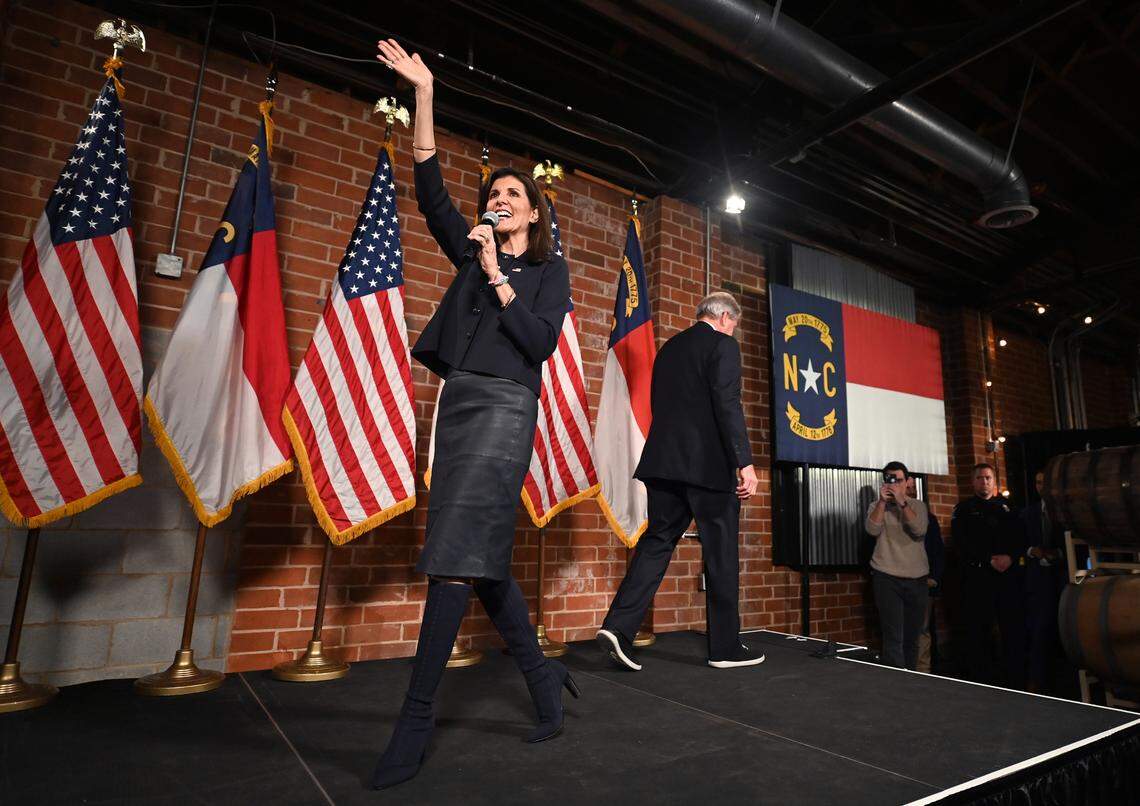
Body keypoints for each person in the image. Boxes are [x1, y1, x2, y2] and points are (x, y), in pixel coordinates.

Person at [372, 39, 577, 790]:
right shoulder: (469, 248)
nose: (498, 200)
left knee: (455, 559)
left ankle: (415, 722)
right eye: (493, 193)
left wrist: (497, 275)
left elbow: (539, 343)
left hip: (505, 412)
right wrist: (425, 92)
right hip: (459, 405)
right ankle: (544, 681)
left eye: (512, 195)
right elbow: (429, 187)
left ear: (533, 213)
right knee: (482, 561)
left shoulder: (546, 273)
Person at [596, 292, 763, 671]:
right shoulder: (723, 345)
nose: (732, 330)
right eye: (733, 324)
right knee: (721, 553)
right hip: (707, 468)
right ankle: (724, 648)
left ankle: (618, 627)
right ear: (723, 317)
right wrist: (746, 463)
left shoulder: (669, 349)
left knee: (656, 543)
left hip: (663, 464)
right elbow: (727, 402)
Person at [951, 463, 1027, 688]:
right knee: (979, 630)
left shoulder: (1009, 508)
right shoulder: (963, 509)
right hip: (978, 578)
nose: (984, 482)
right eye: (979, 478)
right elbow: (961, 543)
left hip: (1007, 578)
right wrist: (988, 559)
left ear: (994, 481)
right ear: (972, 482)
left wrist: (1010, 558)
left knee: (1012, 628)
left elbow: (1021, 538)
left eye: (988, 478)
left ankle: (1016, 679)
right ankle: (982, 680)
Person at [865, 462, 929, 670]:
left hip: (916, 578)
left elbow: (919, 529)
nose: (894, 484)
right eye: (889, 479)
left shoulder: (918, 505)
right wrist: (883, 503)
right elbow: (872, 530)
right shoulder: (876, 506)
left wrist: (902, 503)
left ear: (907, 481)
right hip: (886, 577)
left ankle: (910, 681)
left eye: (898, 480)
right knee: (893, 638)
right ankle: (893, 686)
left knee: (913, 637)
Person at [1022, 470, 1064, 693]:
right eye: (1038, 483)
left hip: (1062, 582)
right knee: (1038, 633)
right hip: (1037, 584)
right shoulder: (1027, 513)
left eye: (1045, 482)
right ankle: (1038, 682)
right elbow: (1019, 543)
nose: (1041, 487)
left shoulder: (1065, 512)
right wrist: (1032, 551)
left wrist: (1057, 554)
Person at [907, 476, 944, 673]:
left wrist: (934, 578)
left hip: (923, 582)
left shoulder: (928, 517)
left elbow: (938, 550)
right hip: (898, 580)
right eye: (908, 487)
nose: (912, 491)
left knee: (921, 630)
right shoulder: (888, 513)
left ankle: (922, 673)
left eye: (914, 487)